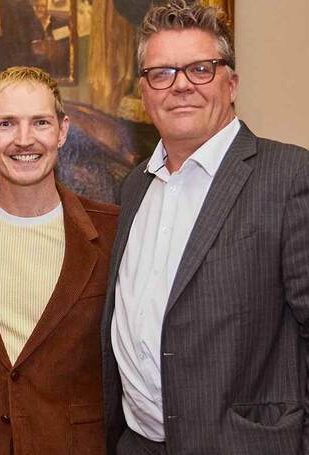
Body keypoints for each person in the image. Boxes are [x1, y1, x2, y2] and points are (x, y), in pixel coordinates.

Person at [101, 1, 309, 454]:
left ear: (231, 83)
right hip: (139, 445)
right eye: (162, 73)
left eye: (200, 69)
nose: (180, 86)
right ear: (144, 90)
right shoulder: (134, 186)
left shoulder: (290, 175)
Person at [0, 66, 118, 454]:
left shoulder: (111, 231)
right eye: (7, 124)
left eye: (41, 122)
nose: (24, 139)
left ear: (62, 131)